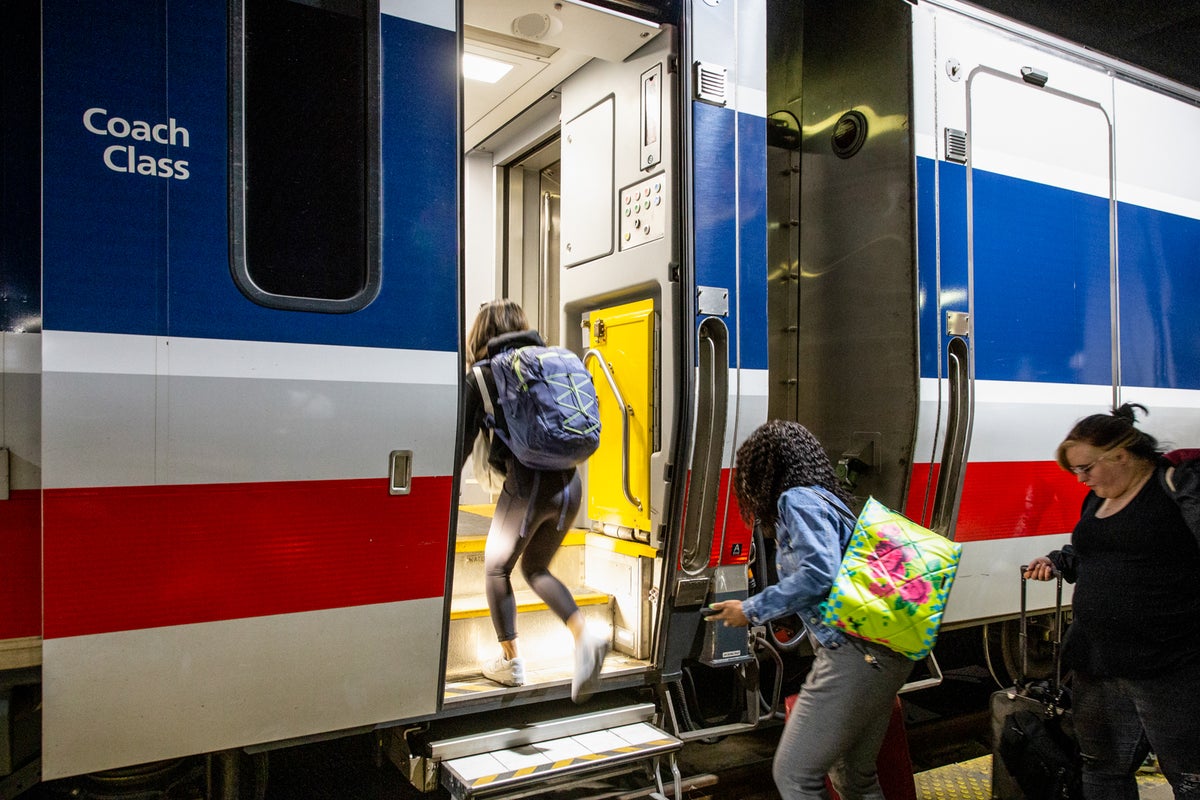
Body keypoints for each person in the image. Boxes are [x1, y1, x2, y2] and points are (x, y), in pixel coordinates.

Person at [707, 420, 913, 800]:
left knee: (794, 774)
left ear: (767, 470)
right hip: (884, 649)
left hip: (855, 653)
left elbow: (820, 574)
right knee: (855, 776)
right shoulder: (825, 496)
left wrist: (750, 609)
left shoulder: (796, 500)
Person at [1024, 403, 1200, 800]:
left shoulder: (1173, 486)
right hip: (1098, 660)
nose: (1081, 479)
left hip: (1166, 663)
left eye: (1087, 468)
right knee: (1101, 768)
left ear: (1121, 455)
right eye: (1075, 471)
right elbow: (1097, 551)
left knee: (1188, 776)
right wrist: (1058, 561)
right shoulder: (1100, 497)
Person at [459, 299, 609, 702]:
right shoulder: (548, 362)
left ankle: (510, 661)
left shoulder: (482, 375)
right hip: (571, 485)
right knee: (536, 568)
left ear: (479, 333)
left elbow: (461, 447)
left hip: (528, 488)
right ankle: (583, 634)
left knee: (496, 569)